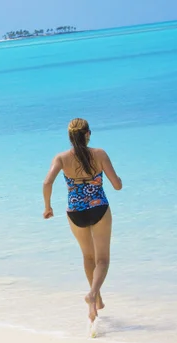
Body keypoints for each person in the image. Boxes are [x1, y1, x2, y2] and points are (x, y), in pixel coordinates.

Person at [42, 118, 123, 322]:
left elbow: (47, 182)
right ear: (88, 134)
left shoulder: (61, 158)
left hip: (76, 212)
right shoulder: (99, 154)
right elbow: (117, 185)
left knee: (88, 257)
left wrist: (47, 207)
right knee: (102, 259)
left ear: (70, 137)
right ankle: (93, 293)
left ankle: (94, 305)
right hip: (99, 209)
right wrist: (117, 180)